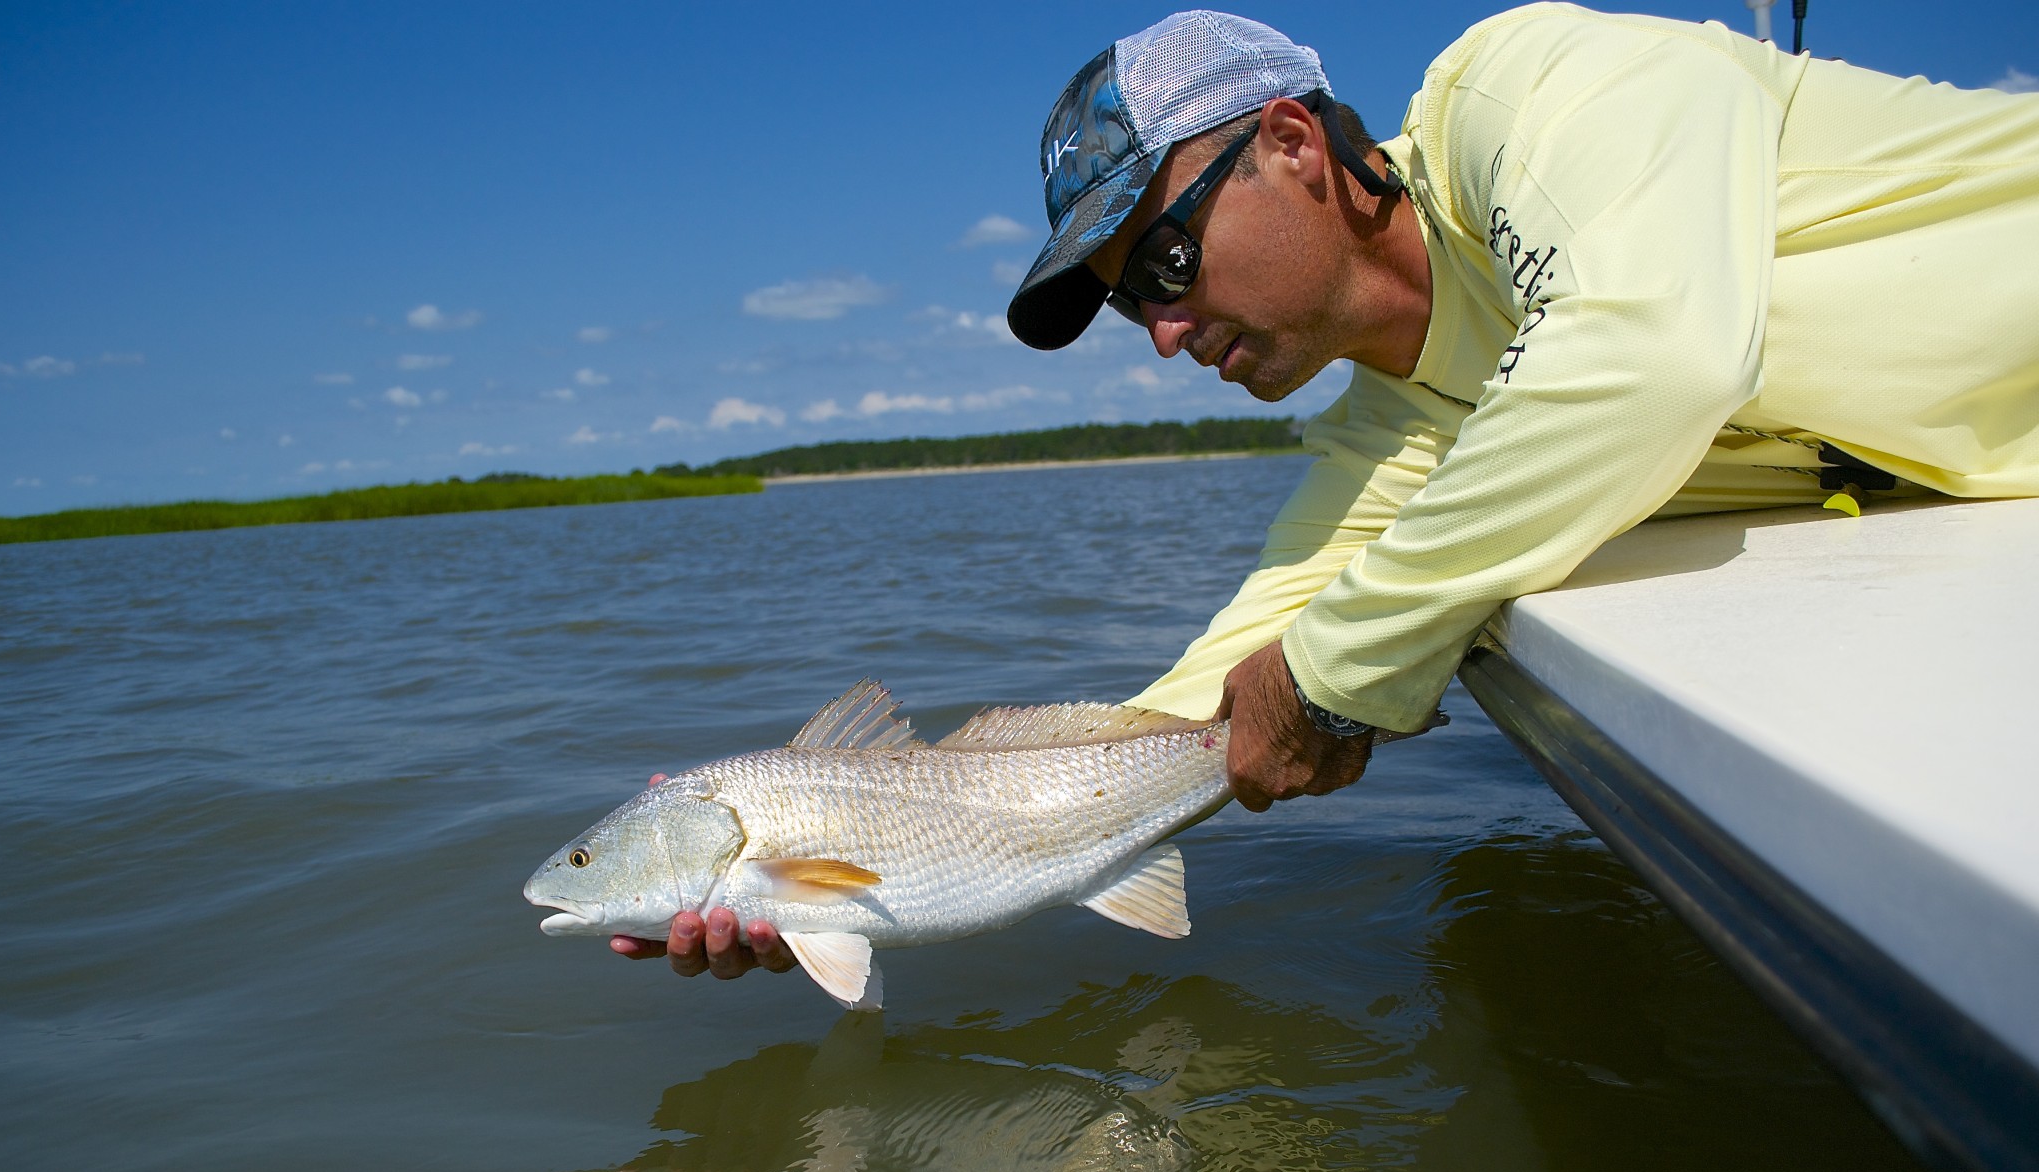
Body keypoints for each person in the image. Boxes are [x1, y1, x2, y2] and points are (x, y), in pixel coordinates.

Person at [621, 2, 2039, 980]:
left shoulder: (1529, 91)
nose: (1168, 333)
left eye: (1164, 262)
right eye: (1132, 312)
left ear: (1294, 145)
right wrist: (808, 864)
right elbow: (1206, 709)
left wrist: (1344, 668)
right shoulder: (1389, 437)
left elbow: (1654, 353)